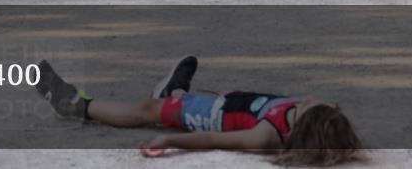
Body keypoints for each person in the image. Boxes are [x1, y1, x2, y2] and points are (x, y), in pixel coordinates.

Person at [35, 56, 362, 165]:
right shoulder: (312, 118)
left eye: (309, 105)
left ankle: (77, 105)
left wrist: (169, 141)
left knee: (146, 110)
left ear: (302, 125)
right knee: (171, 99)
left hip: (204, 115)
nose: (309, 97)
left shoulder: (267, 136)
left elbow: (214, 139)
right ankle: (174, 89)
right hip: (229, 101)